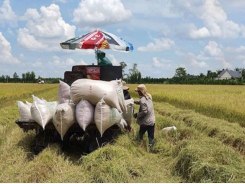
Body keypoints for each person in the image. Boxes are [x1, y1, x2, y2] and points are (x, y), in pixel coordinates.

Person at [133, 84, 155, 152]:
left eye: (138, 91)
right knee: (151, 137)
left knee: (140, 135)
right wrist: (133, 101)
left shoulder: (142, 100)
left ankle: (140, 146)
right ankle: (151, 150)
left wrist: (137, 115)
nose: (137, 93)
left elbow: (144, 111)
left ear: (140, 92)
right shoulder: (149, 96)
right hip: (152, 121)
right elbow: (143, 102)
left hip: (145, 122)